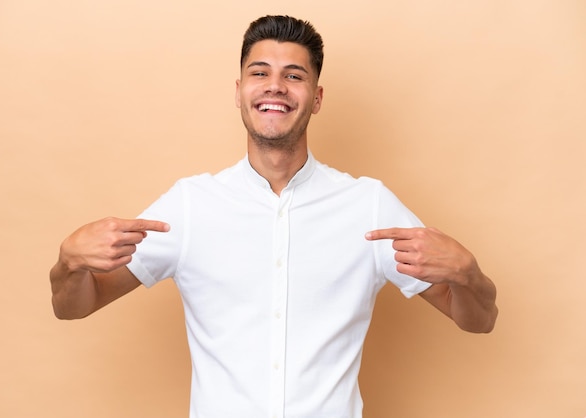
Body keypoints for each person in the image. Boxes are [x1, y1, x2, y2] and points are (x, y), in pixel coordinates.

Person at [50, 15, 498, 418]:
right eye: (259, 73)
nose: (274, 86)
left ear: (316, 98)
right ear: (240, 92)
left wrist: (469, 274)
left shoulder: (369, 205)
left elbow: (477, 319)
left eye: (294, 75)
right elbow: (76, 306)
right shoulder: (190, 204)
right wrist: (67, 265)